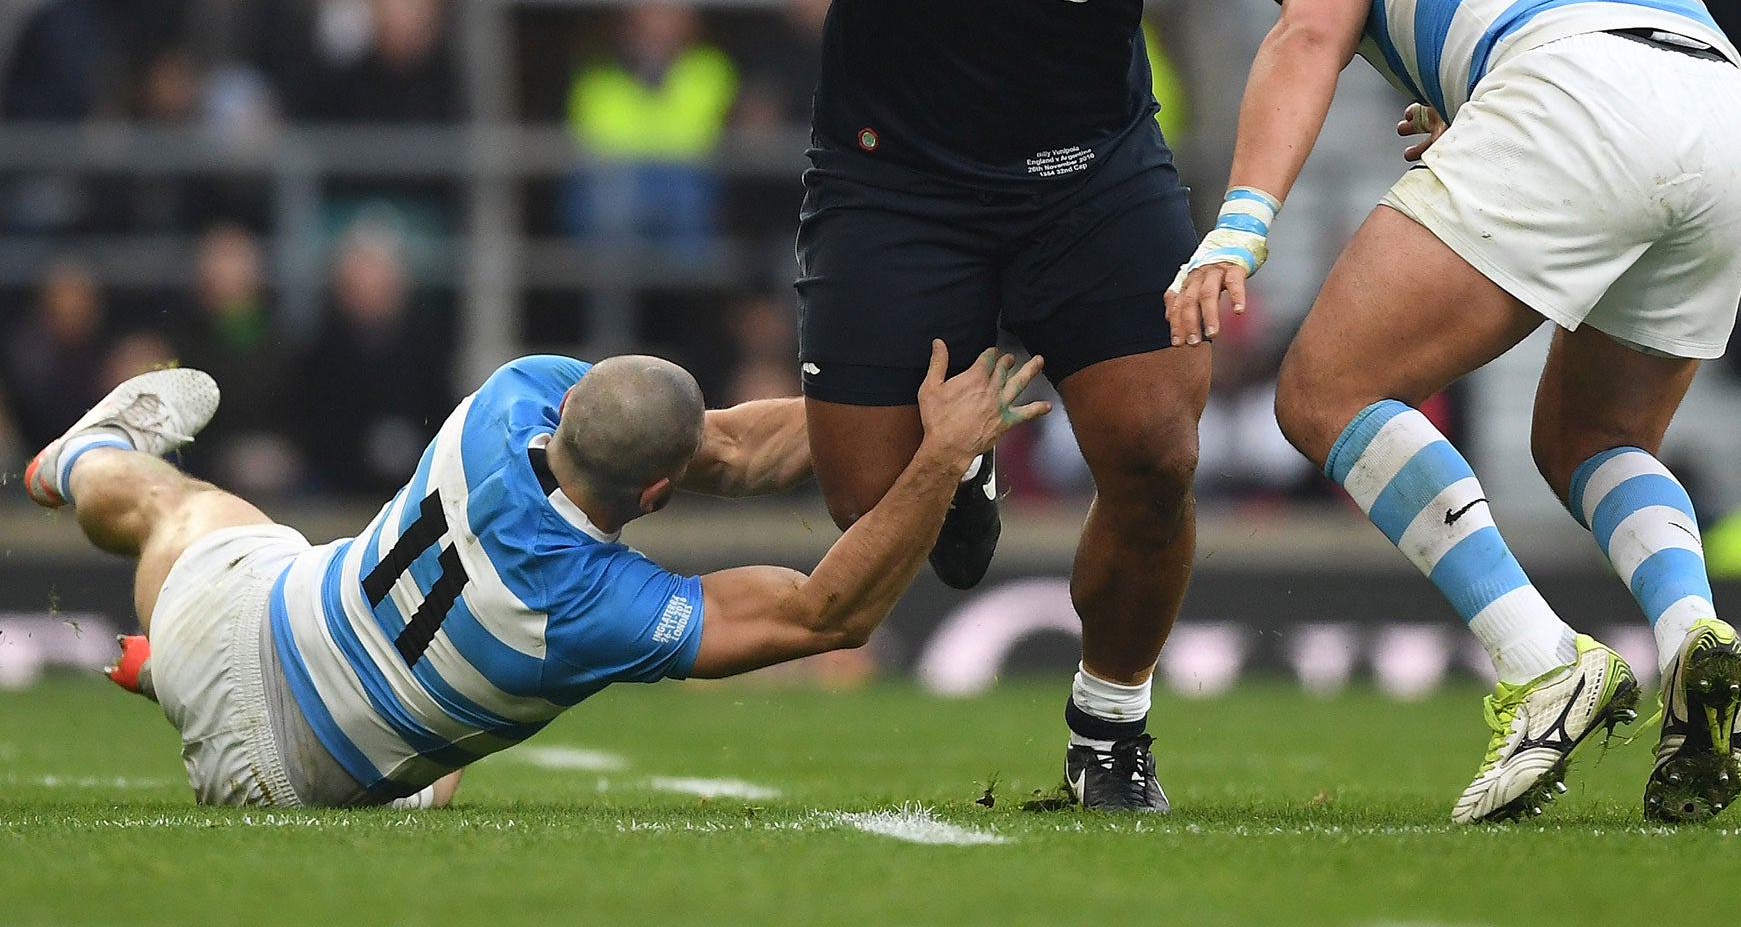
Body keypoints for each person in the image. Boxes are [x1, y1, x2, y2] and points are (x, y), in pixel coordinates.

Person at [684, 0, 1313, 810]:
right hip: (893, 171)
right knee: (871, 511)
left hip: (1092, 170)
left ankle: (1111, 731)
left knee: (1154, 453)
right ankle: (951, 461)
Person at [1165, 0, 1741, 825]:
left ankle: (1542, 661)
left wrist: (1238, 226)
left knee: (1324, 390)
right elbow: (1577, 17)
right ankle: (1690, 630)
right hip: (1733, 120)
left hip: (1578, 94)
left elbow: (1307, 32)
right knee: (1594, 437)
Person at [19, 345, 1044, 809]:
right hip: (284, 780)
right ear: (653, 497)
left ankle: (72, 463)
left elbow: (723, 445)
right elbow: (829, 612)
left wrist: (897, 417)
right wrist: (939, 456)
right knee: (445, 754)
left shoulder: (508, 399)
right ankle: (171, 671)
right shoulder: (582, 607)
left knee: (177, 507)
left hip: (246, 618)